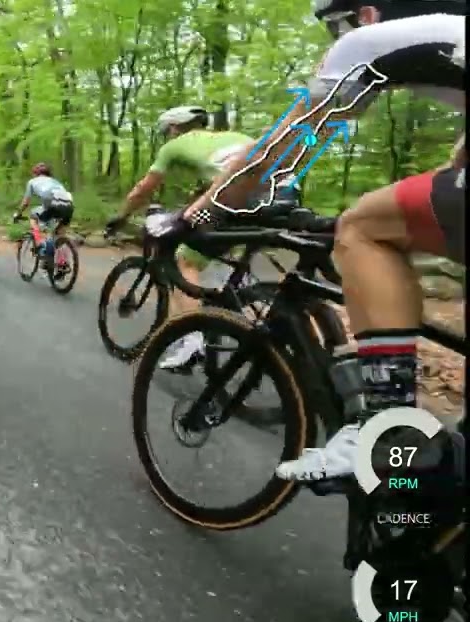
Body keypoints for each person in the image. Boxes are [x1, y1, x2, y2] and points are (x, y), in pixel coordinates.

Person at [157, 0, 465, 483]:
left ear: (365, 14)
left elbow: (271, 159)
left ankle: (385, 428)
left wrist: (192, 217)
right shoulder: (448, 33)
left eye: (333, 26)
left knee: (361, 228)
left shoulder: (363, 43)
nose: (332, 40)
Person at [105, 106, 276, 369]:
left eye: (168, 131)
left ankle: (192, 342)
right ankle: (266, 316)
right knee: (220, 251)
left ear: (175, 127)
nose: (168, 136)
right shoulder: (232, 137)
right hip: (278, 196)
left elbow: (143, 189)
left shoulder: (174, 146)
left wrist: (122, 215)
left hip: (236, 199)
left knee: (185, 258)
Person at [12, 162, 74, 271]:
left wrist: (18, 213)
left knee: (33, 216)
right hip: (68, 205)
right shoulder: (56, 182)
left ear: (35, 173)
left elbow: (26, 202)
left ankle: (39, 243)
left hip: (52, 204)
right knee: (58, 234)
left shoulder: (32, 181)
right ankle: (62, 262)